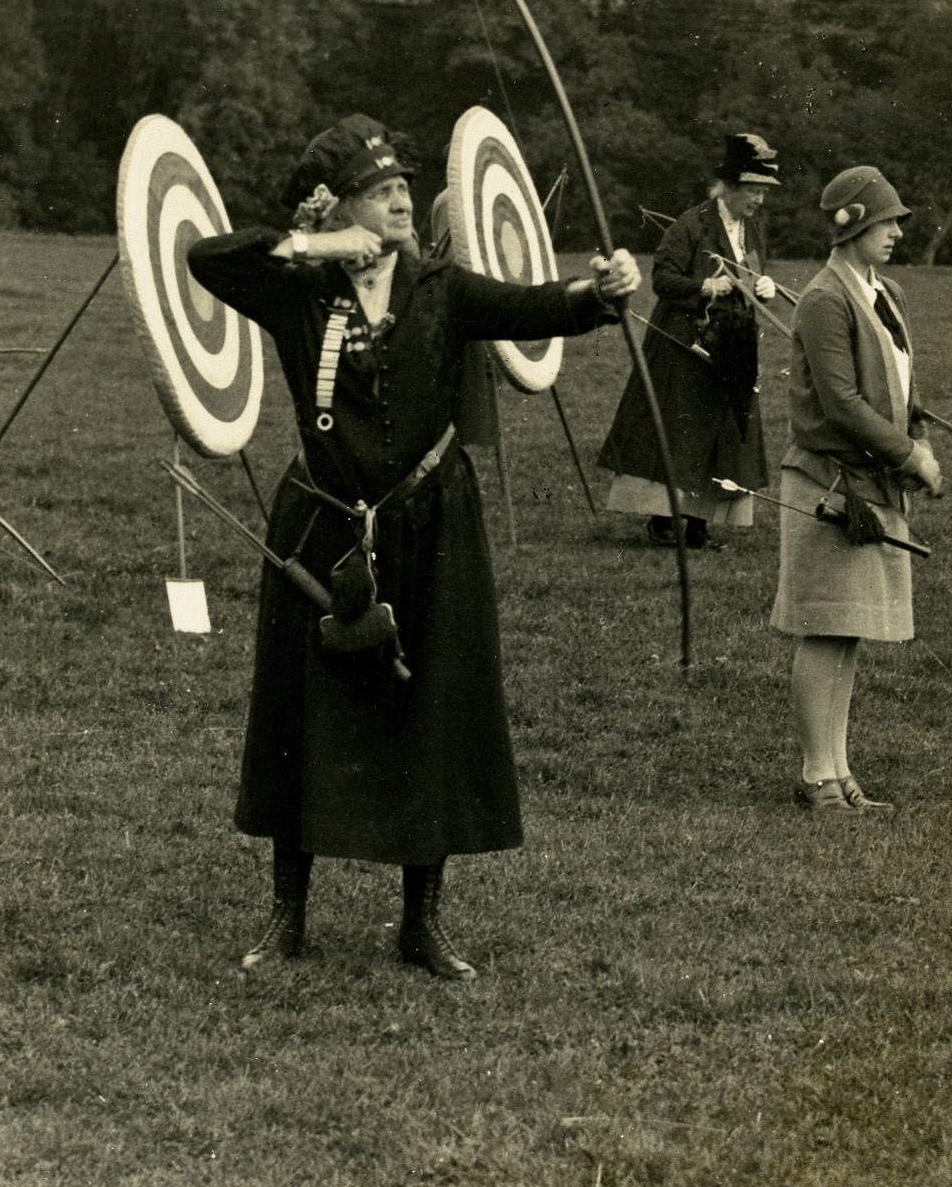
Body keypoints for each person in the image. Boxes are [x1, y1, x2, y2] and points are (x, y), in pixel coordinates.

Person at [187, 113, 641, 978]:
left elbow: (543, 307)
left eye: (403, 187)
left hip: (432, 522)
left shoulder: (438, 285)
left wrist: (605, 291)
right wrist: (318, 247)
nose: (402, 199)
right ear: (342, 204)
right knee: (302, 716)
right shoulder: (297, 288)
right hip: (321, 521)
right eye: (381, 189)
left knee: (432, 708)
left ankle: (421, 923)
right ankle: (288, 916)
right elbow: (206, 257)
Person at [769, 165, 943, 812]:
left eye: (897, 220)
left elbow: (893, 374)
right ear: (854, 227)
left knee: (848, 629)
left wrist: (915, 421)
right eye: (887, 221)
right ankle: (817, 776)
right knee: (825, 626)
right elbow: (841, 403)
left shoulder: (881, 290)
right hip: (829, 485)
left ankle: (839, 773)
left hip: (870, 485)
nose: (897, 231)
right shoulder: (824, 296)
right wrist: (910, 456)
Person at [598, 131, 780, 549]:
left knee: (723, 432)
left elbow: (750, 271)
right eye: (752, 191)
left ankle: (700, 524)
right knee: (682, 431)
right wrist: (707, 287)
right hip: (685, 345)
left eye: (763, 192)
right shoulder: (691, 225)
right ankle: (663, 521)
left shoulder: (751, 229)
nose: (758, 200)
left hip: (732, 343)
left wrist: (762, 285)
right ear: (729, 187)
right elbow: (663, 279)